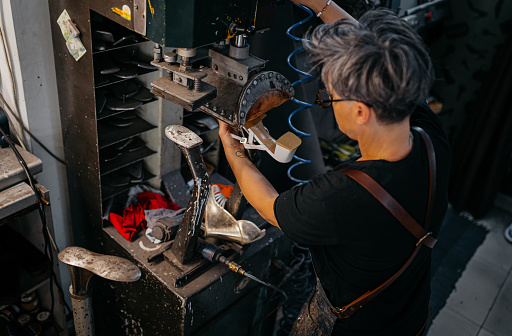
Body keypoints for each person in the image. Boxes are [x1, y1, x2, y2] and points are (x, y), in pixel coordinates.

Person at [218, 1, 452, 335]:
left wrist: (234, 151)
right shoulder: (429, 135)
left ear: (360, 112)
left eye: (329, 97)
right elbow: (374, 48)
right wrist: (321, 4)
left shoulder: (340, 196)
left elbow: (271, 207)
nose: (324, 100)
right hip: (410, 313)